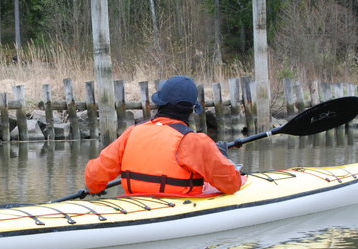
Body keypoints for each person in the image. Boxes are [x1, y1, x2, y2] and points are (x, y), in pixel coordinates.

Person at [84, 75, 242, 196]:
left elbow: (93, 178)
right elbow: (232, 184)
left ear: (160, 103)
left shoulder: (132, 132)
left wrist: (96, 187)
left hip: (135, 205)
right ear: (192, 110)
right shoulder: (194, 141)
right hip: (177, 209)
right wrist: (221, 156)